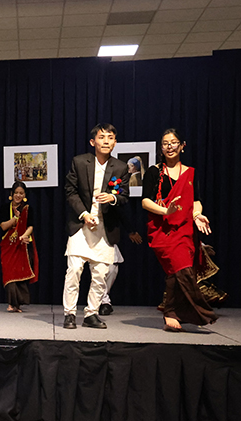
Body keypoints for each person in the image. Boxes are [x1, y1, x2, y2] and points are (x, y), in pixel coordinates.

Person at [142, 128, 217, 332]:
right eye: (165, 143)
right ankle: (190, 310)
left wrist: (196, 215)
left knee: (182, 269)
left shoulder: (190, 172)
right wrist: (166, 210)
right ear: (161, 148)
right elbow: (146, 201)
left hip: (185, 229)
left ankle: (172, 311)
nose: (169, 146)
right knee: (178, 268)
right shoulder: (154, 171)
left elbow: (196, 200)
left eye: (174, 142)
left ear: (182, 146)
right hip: (162, 230)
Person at [63, 124, 129, 329]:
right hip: (81, 226)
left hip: (105, 229)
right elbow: (70, 190)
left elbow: (124, 196)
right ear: (93, 142)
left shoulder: (120, 167)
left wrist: (113, 197)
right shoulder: (80, 162)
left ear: (115, 142)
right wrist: (83, 214)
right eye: (102, 137)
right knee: (74, 270)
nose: (106, 141)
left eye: (111, 137)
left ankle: (91, 313)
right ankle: (70, 313)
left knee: (101, 274)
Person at [0, 181, 38, 312]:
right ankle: (11, 303)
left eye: (21, 193)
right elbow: (3, 226)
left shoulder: (27, 209)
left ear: (25, 195)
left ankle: (18, 304)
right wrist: (15, 219)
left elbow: (31, 226)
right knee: (9, 273)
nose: (18, 195)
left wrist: (23, 236)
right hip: (8, 245)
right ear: (11, 194)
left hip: (23, 244)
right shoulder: (5, 208)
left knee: (20, 272)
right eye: (16, 193)